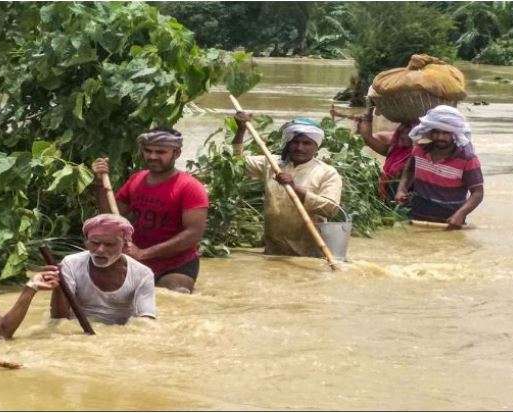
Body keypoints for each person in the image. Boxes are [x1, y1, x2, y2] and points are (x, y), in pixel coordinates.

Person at [91, 127, 209, 294]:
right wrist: (99, 183)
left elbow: (194, 234)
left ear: (176, 153)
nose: (153, 156)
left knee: (174, 295)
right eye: (148, 151)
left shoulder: (190, 187)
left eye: (160, 152)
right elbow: (111, 215)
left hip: (175, 265)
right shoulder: (136, 179)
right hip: (136, 261)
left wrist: (144, 253)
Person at [233, 113, 343, 256]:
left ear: (316, 147)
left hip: (311, 253)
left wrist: (294, 188)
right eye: (295, 142)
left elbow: (331, 209)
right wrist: (241, 130)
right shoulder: (272, 163)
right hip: (273, 250)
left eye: (306, 143)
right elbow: (236, 163)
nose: (299, 148)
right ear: (288, 143)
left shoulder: (327, 173)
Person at [50, 214, 156, 324]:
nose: (100, 250)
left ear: (125, 246)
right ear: (86, 243)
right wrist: (58, 286)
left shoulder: (143, 274)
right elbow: (59, 320)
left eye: (109, 244)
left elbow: (146, 320)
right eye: (95, 243)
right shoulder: (70, 264)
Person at [395, 105, 484, 229]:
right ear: (430, 132)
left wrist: (460, 214)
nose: (440, 137)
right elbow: (409, 171)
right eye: (436, 132)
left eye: (446, 133)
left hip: (450, 223)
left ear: (454, 133)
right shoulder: (419, 150)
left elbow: (478, 193)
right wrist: (401, 190)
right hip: (416, 218)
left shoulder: (468, 159)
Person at [351, 109, 419, 201]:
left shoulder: (419, 156)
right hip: (385, 197)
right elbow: (368, 139)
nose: (402, 136)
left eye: (407, 133)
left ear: (417, 135)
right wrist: (369, 115)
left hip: (401, 202)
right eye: (400, 132)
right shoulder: (393, 150)